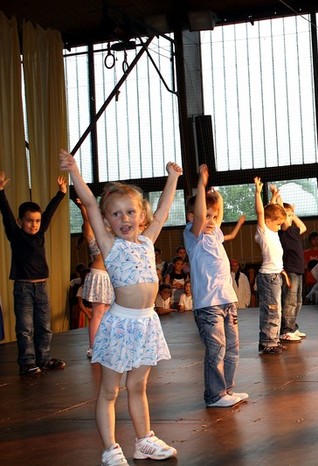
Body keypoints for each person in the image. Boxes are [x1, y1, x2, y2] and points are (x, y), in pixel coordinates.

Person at [60, 149, 179, 466]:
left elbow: (164, 210)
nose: (124, 218)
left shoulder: (147, 241)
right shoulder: (110, 245)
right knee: (110, 391)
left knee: (138, 386)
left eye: (130, 212)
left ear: (141, 216)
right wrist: (74, 172)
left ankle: (144, 441)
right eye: (115, 214)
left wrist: (172, 178)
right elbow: (89, 202)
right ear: (106, 221)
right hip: (120, 326)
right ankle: (110, 449)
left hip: (146, 324)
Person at [184, 164, 248, 408]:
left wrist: (217, 195)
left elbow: (216, 212)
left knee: (232, 348)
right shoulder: (194, 236)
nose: (210, 221)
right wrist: (201, 184)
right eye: (206, 216)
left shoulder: (215, 234)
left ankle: (226, 389)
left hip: (227, 300)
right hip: (209, 305)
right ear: (192, 218)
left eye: (213, 217)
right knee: (216, 349)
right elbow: (201, 216)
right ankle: (214, 395)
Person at [0, 169, 67, 377]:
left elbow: (49, 213)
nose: (34, 224)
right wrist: (1, 192)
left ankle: (44, 359)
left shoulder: (40, 233)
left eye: (37, 221)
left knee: (44, 326)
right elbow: (6, 214)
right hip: (24, 288)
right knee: (25, 328)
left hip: (41, 287)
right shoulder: (15, 234)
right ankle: (27, 362)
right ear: (20, 221)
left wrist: (61, 193)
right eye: (29, 220)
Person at [75, 198, 114, 358]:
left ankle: (104, 344)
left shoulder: (112, 236)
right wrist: (82, 207)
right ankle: (93, 347)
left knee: (106, 312)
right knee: (98, 312)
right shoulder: (93, 236)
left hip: (109, 277)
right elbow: (87, 220)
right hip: (99, 275)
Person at [254, 176, 288, 355]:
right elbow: (261, 212)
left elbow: (271, 209)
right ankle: (268, 342)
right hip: (268, 277)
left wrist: (274, 196)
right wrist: (257, 192)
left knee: (276, 310)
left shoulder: (272, 232)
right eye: (278, 224)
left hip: (275, 276)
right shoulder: (264, 232)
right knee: (271, 310)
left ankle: (272, 339)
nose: (280, 227)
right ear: (268, 222)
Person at [276, 190, 308, 342]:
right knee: (290, 300)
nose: (289, 218)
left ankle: (292, 326)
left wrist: (293, 214)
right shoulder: (285, 231)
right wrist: (280, 201)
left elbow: (303, 227)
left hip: (299, 270)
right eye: (287, 216)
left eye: (290, 216)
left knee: (298, 301)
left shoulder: (294, 231)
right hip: (291, 270)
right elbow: (283, 218)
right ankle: (286, 330)